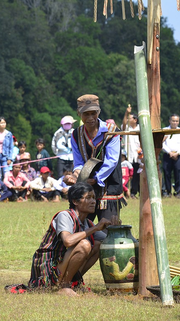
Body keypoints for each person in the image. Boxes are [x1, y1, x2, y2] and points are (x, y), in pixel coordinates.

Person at [19, 183, 114, 295]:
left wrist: (115, 229)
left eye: (94, 198)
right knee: (84, 244)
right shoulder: (64, 216)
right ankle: (64, 285)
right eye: (88, 198)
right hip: (48, 269)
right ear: (75, 201)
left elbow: (108, 242)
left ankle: (73, 282)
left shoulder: (87, 223)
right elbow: (68, 241)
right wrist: (96, 228)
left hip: (61, 265)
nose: (93, 201)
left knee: (99, 245)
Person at [71, 94, 123, 222]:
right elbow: (78, 162)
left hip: (109, 186)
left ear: (99, 112)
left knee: (108, 231)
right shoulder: (76, 134)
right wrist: (78, 174)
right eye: (86, 114)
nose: (90, 118)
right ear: (79, 114)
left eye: (93, 113)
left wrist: (96, 178)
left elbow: (112, 161)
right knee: (79, 226)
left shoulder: (112, 131)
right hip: (86, 187)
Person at [161, 113, 180, 198]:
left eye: (176, 121)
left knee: (178, 172)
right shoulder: (164, 130)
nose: (175, 122)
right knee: (166, 172)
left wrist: (177, 153)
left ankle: (178, 191)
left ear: (178, 122)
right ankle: (167, 191)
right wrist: (169, 152)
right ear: (169, 121)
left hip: (178, 155)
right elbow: (162, 143)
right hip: (167, 154)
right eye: (173, 121)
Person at [122, 105, 141, 198]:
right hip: (128, 155)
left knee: (137, 174)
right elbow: (124, 124)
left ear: (135, 120)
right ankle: (126, 191)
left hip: (137, 155)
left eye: (130, 118)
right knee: (127, 174)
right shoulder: (127, 128)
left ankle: (134, 191)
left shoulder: (140, 129)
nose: (129, 120)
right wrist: (126, 113)